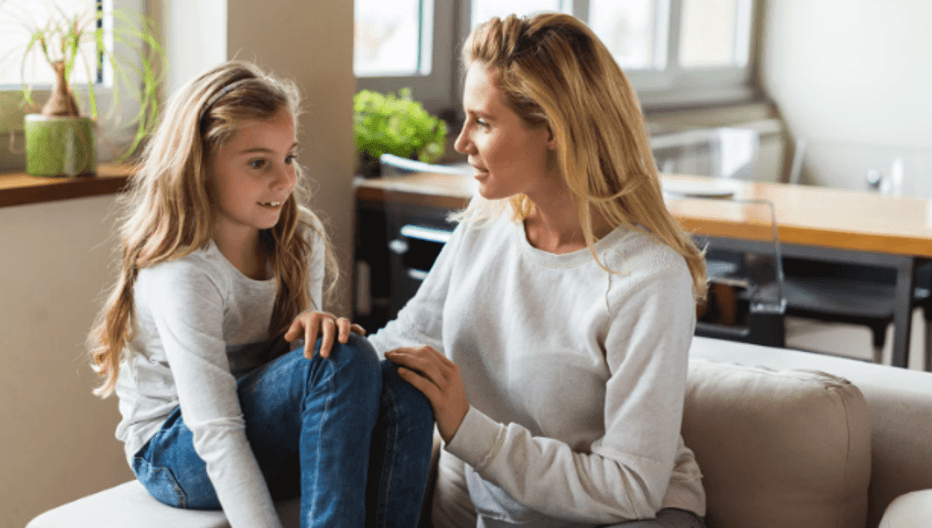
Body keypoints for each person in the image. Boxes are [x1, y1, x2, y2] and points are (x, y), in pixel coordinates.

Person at [370, 13, 709, 528]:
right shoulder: (483, 226)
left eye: (482, 122)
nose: (461, 143)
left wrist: (468, 429)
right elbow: (409, 339)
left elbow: (632, 490)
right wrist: (334, 347)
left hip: (632, 518)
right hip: (510, 512)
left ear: (553, 130)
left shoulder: (648, 279)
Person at [87, 61, 434, 528]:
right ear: (200, 165)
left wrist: (315, 328)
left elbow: (309, 378)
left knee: (401, 386)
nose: (285, 180)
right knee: (344, 358)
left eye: (288, 157)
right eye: (258, 162)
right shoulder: (183, 272)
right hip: (178, 453)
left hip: (265, 436)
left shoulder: (299, 234)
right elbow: (216, 429)